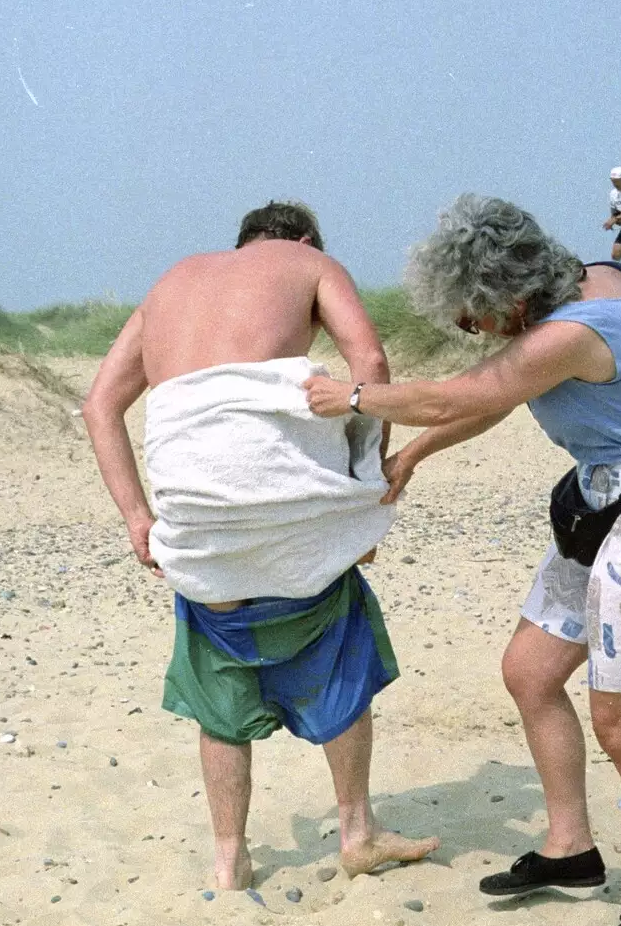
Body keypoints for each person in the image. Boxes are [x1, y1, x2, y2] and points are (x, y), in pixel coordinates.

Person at [304, 195, 621, 926]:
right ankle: (570, 849)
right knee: (530, 671)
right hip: (603, 500)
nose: (470, 332)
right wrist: (412, 454)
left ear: (511, 300)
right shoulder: (593, 277)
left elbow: (461, 393)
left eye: (473, 320)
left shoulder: (573, 332)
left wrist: (349, 396)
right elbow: (499, 394)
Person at [82, 200, 438, 889]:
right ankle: (357, 831)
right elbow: (368, 363)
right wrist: (364, 492)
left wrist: (135, 515)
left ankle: (229, 860)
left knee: (218, 664)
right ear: (301, 240)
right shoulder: (309, 261)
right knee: (336, 622)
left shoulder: (169, 283)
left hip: (196, 520)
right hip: (284, 503)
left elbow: (101, 405)